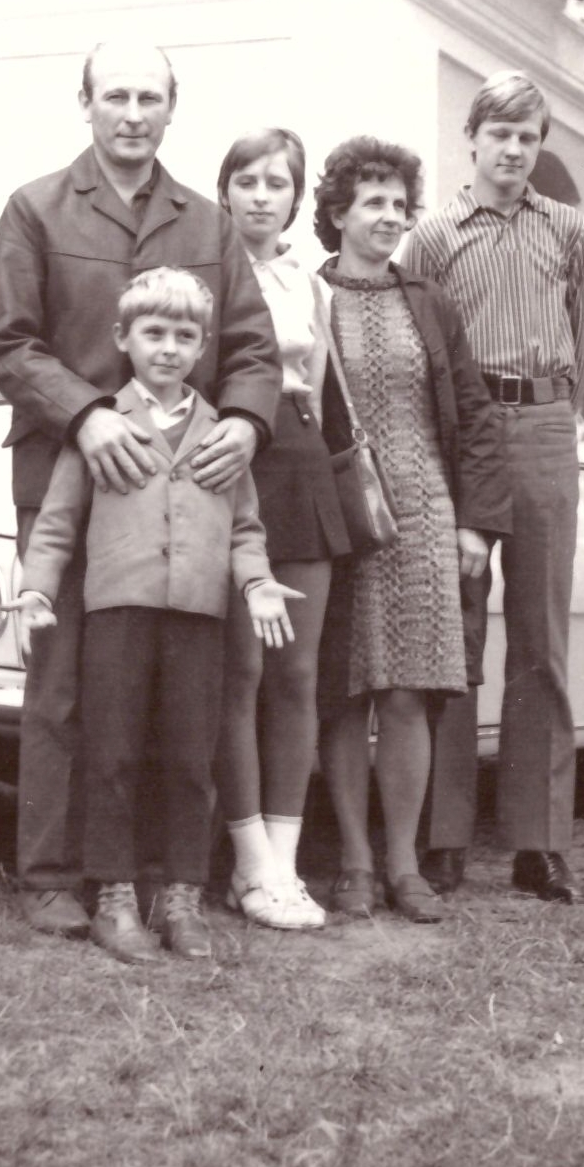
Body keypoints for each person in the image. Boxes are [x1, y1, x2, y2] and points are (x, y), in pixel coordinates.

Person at [0, 40, 281, 936]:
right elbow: (10, 344)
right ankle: (50, 876)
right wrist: (85, 415)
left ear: (171, 109)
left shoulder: (208, 225)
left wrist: (244, 424)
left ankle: (150, 880)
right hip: (65, 474)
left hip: (181, 494)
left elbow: (253, 350)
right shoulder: (35, 208)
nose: (133, 114)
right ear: (85, 103)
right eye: (116, 95)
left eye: (150, 98)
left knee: (164, 696)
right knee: (64, 685)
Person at [10, 268, 301, 964]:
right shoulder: (101, 427)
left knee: (191, 758)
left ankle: (181, 898)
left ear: (202, 346)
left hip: (198, 617)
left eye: (184, 336)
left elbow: (245, 528)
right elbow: (57, 522)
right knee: (111, 754)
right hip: (118, 616)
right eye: (154, 333)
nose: (168, 348)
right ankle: (114, 898)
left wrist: (258, 583)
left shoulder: (223, 433)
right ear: (124, 338)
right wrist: (38, 590)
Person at [402, 72, 584, 904]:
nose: (514, 150)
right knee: (457, 634)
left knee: (541, 638)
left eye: (528, 137)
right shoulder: (434, 236)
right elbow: (420, 352)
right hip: (468, 433)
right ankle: (444, 836)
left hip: (546, 426)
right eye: (501, 134)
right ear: (473, 139)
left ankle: (537, 843)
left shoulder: (569, 230)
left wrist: (550, 414)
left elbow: (583, 340)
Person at [313, 137, 510, 923]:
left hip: (425, 516)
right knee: (341, 692)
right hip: (339, 518)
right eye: (374, 203)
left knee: (406, 695)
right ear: (337, 214)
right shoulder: (308, 297)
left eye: (400, 204)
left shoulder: (428, 300)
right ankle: (353, 863)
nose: (391, 216)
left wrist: (476, 526)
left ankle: (402, 864)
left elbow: (476, 415)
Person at [214, 129, 352, 930]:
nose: (262, 195)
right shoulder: (205, 269)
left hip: (298, 470)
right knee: (240, 671)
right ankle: (248, 863)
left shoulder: (308, 282)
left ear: (297, 198)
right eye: (248, 180)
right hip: (230, 465)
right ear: (224, 190)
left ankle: (285, 862)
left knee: (296, 675)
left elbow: (320, 389)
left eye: (277, 183)